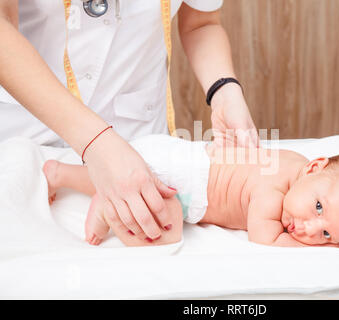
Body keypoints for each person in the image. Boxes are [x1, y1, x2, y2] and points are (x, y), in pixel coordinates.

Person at [0, 1, 258, 242]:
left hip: (136, 144)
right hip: (25, 136)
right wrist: (97, 142)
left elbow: (201, 23)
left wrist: (224, 90)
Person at [42, 134, 339, 247]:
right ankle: (108, 206)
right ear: (314, 167)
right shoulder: (273, 190)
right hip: (177, 177)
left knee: (123, 183)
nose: (309, 228)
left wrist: (331, 233)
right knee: (163, 234)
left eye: (326, 234)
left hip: (171, 156)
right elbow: (266, 241)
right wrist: (334, 250)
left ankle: (60, 172)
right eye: (319, 209)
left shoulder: (296, 164)